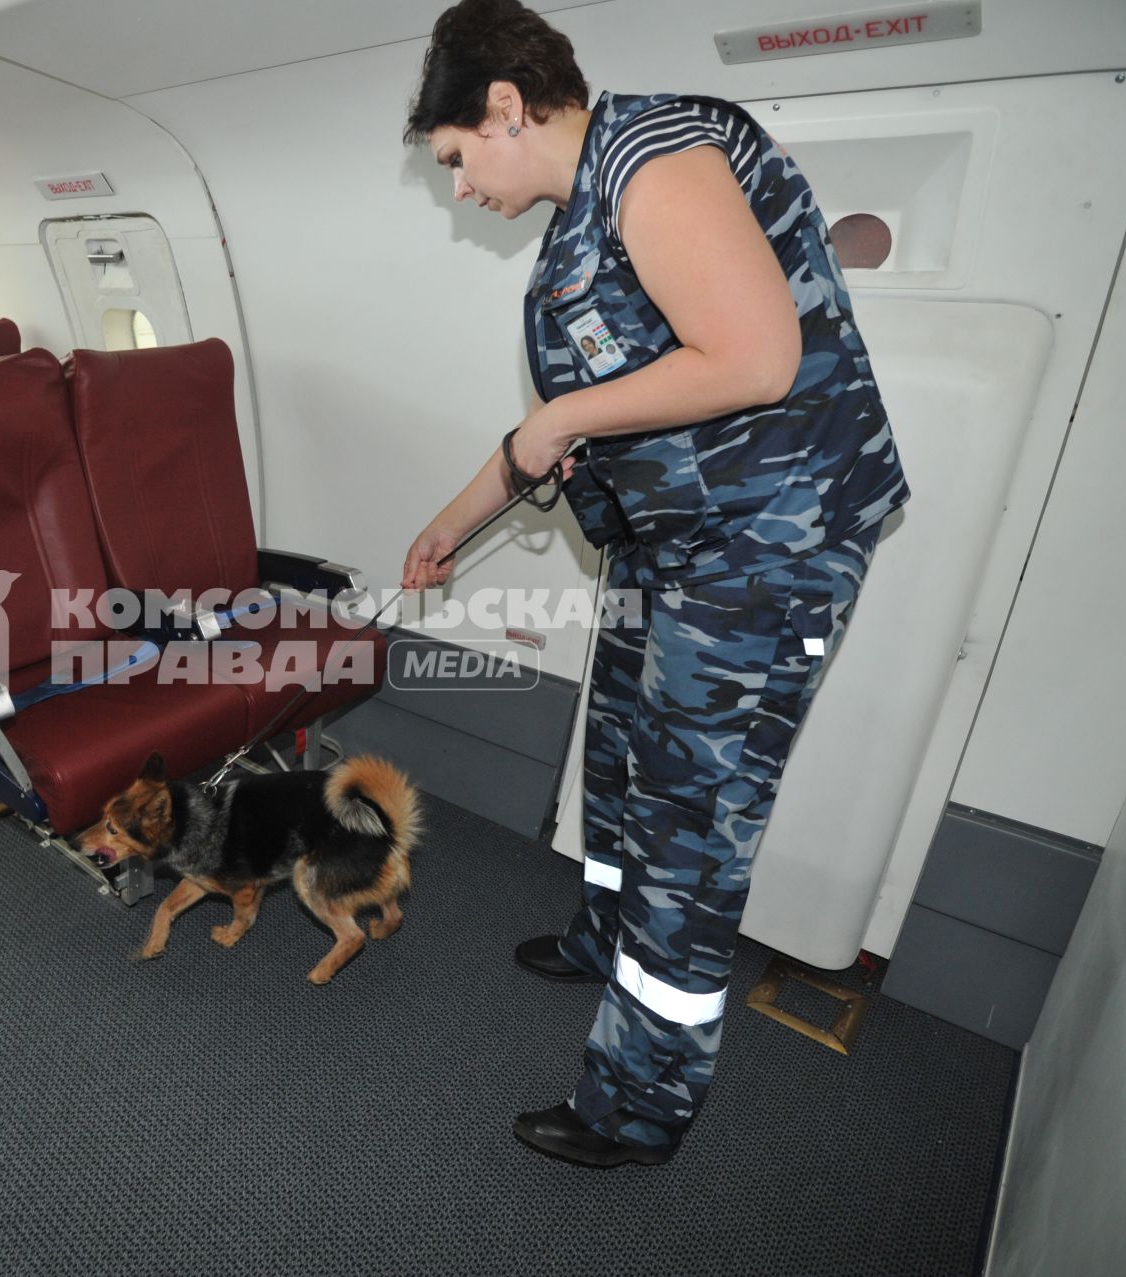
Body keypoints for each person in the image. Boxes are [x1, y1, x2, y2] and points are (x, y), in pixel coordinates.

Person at [401, 0, 909, 1169]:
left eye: (456, 157)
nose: (460, 187)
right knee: (627, 743)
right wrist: (446, 526)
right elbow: (553, 433)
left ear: (505, 108)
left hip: (767, 551)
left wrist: (570, 416)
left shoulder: (656, 154)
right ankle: (603, 927)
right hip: (673, 543)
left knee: (693, 819)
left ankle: (637, 1103)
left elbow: (754, 357)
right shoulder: (585, 217)